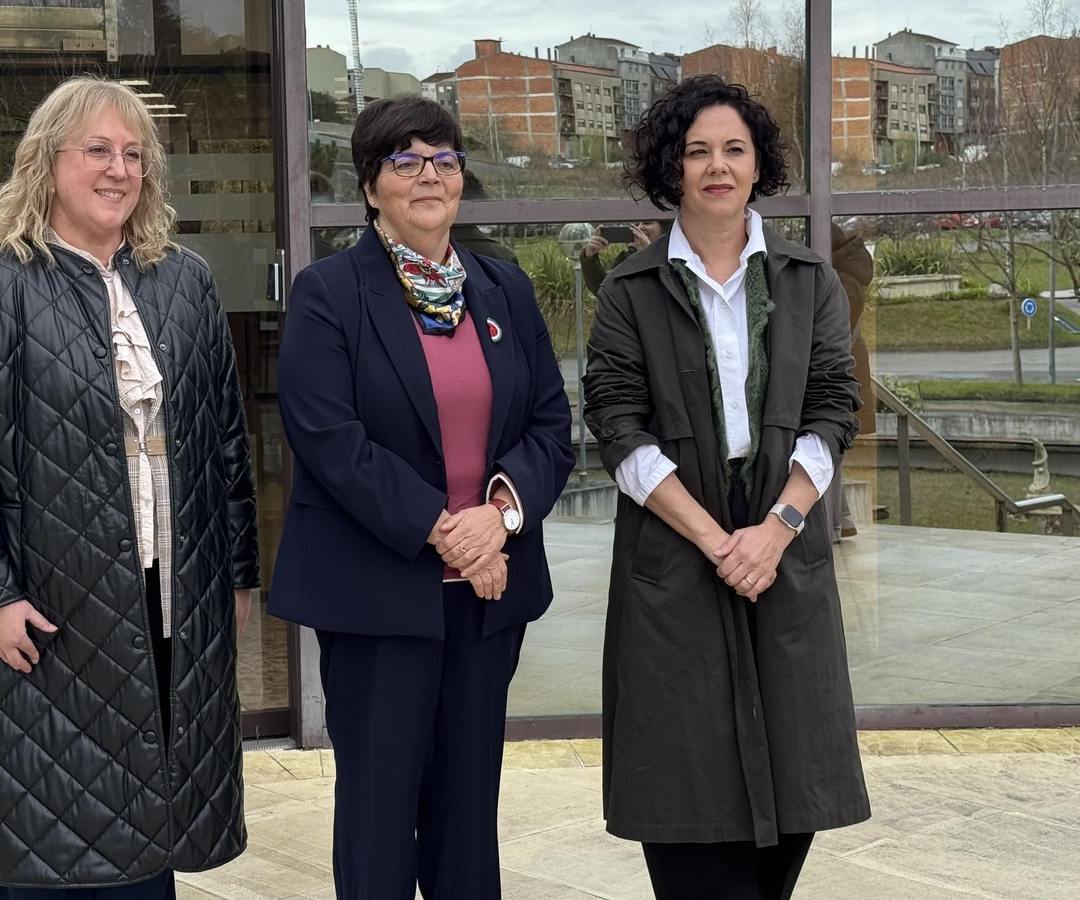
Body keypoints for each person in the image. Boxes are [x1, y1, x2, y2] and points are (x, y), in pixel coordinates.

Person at [0, 76, 260, 898]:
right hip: (49, 605)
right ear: (46, 163)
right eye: (98, 150)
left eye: (134, 154)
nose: (119, 170)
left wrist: (237, 573)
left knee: (151, 825)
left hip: (172, 593)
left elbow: (223, 440)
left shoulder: (184, 281)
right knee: (48, 828)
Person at [270, 96, 574, 899]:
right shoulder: (329, 294)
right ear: (371, 186)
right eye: (404, 162)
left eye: (443, 160)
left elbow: (550, 425)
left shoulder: (503, 290)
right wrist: (450, 534)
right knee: (378, 814)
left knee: (468, 814)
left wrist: (499, 518)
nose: (428, 176)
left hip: (487, 599)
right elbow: (330, 440)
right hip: (380, 597)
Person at [583, 74, 870, 900]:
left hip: (783, 560)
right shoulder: (629, 289)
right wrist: (718, 542)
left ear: (757, 165)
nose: (716, 165)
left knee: (795, 791)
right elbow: (617, 428)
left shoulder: (808, 279)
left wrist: (774, 531)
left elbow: (832, 408)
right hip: (677, 563)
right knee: (685, 804)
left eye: (734, 149)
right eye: (697, 150)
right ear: (672, 167)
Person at [580, 220, 669, 297]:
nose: (640, 227)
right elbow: (605, 291)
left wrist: (649, 254)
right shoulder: (626, 257)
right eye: (636, 224)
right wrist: (590, 258)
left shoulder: (672, 256)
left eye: (647, 223)